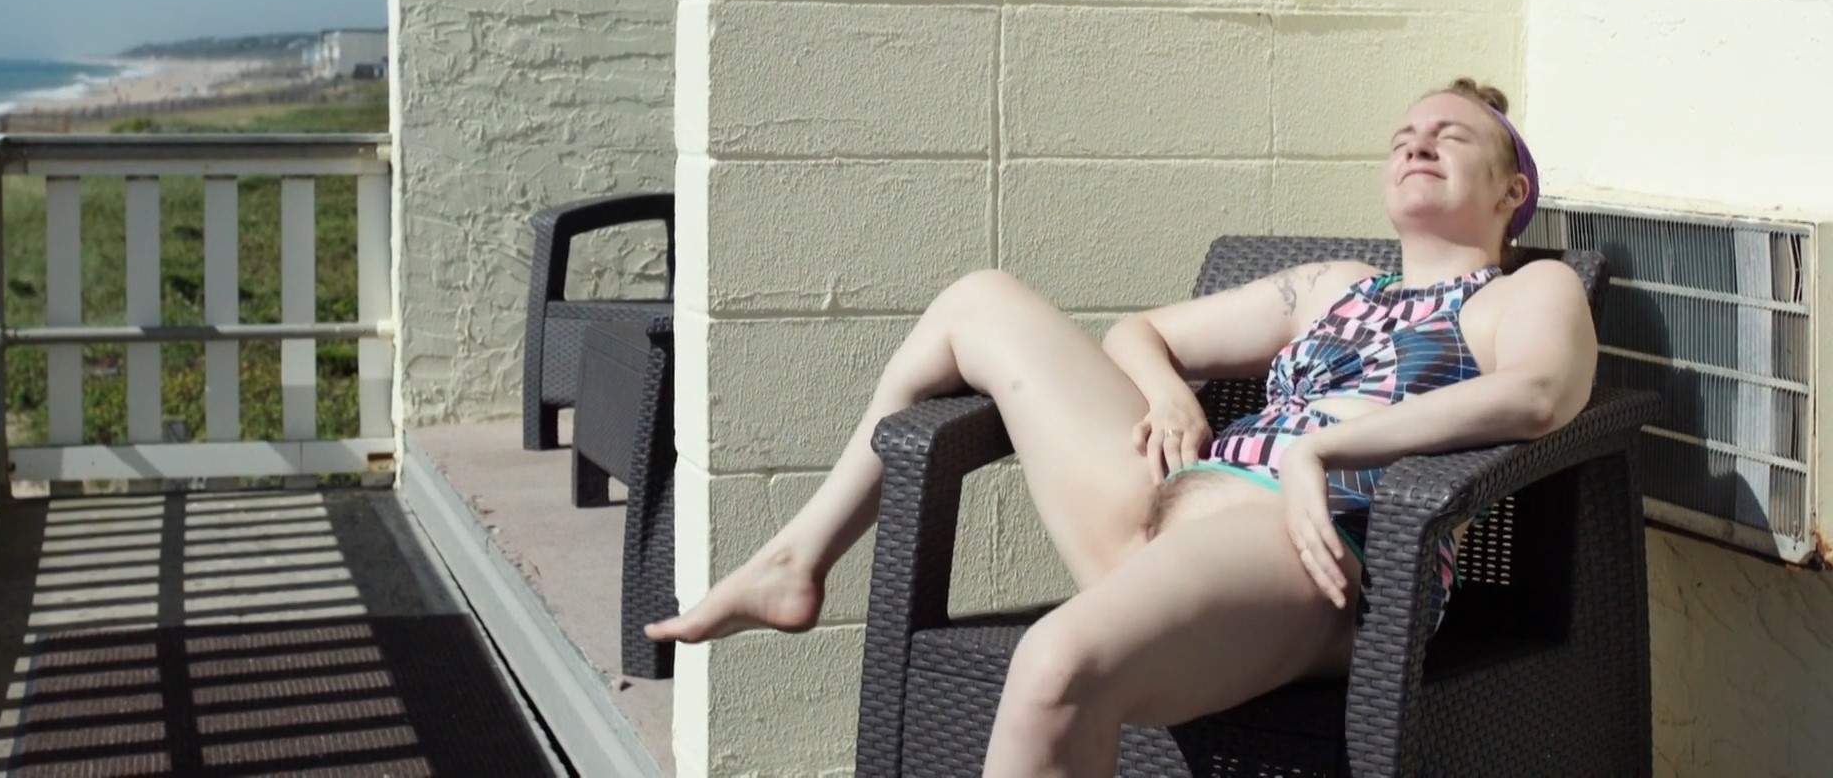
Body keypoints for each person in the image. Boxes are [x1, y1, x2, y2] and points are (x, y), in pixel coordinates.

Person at [647, 78, 1599, 775]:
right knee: (977, 301)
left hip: (1312, 557)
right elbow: (1139, 333)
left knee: (1055, 664)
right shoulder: (1334, 287)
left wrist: (1322, 449)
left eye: (1450, 135)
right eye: (1403, 135)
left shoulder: (1526, 290)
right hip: (1168, 514)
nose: (1418, 143)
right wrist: (1168, 392)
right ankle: (797, 559)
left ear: (1511, 190)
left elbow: (1539, 396)